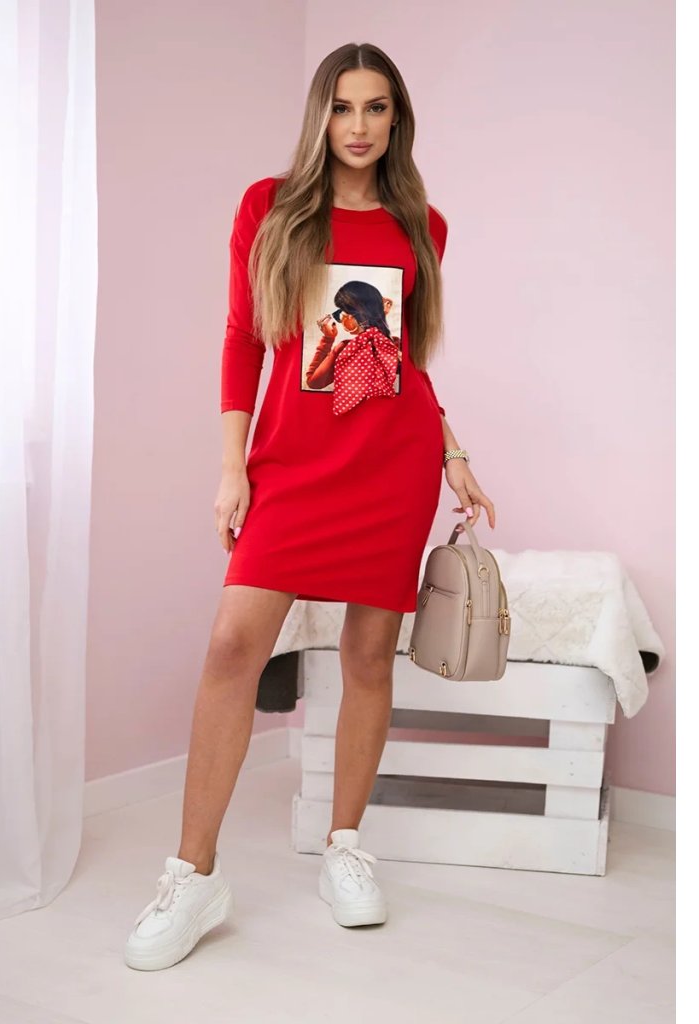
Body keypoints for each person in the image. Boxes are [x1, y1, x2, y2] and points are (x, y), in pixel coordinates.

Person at [124, 41, 496, 972]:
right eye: (342, 107)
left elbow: (399, 362)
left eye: (376, 108)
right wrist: (233, 468)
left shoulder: (422, 225)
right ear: (319, 116)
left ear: (397, 120)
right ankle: (193, 875)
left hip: (390, 468)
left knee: (367, 657)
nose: (359, 126)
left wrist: (451, 450)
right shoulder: (271, 207)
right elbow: (242, 339)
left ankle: (345, 848)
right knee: (231, 648)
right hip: (290, 468)